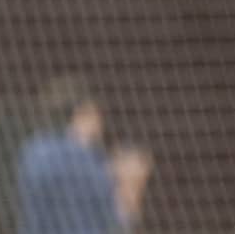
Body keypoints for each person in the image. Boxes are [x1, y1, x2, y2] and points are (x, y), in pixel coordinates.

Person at [16, 75, 152, 234]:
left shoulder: (33, 151)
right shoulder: (90, 161)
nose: (100, 124)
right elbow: (120, 220)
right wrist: (130, 183)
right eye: (97, 115)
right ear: (84, 113)